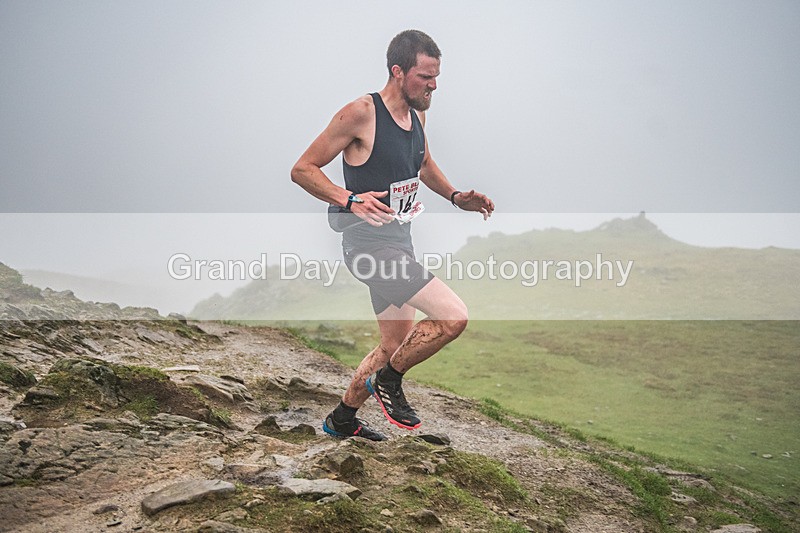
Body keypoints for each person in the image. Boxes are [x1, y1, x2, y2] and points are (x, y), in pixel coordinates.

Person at [291, 29, 494, 441]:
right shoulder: (361, 113)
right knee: (453, 316)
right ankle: (388, 382)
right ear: (398, 72)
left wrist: (456, 196)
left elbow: (423, 164)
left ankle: (342, 420)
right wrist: (349, 199)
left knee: (394, 344)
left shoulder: (418, 112)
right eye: (425, 77)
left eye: (437, 77)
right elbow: (303, 169)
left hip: (399, 241)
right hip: (367, 246)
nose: (434, 86)